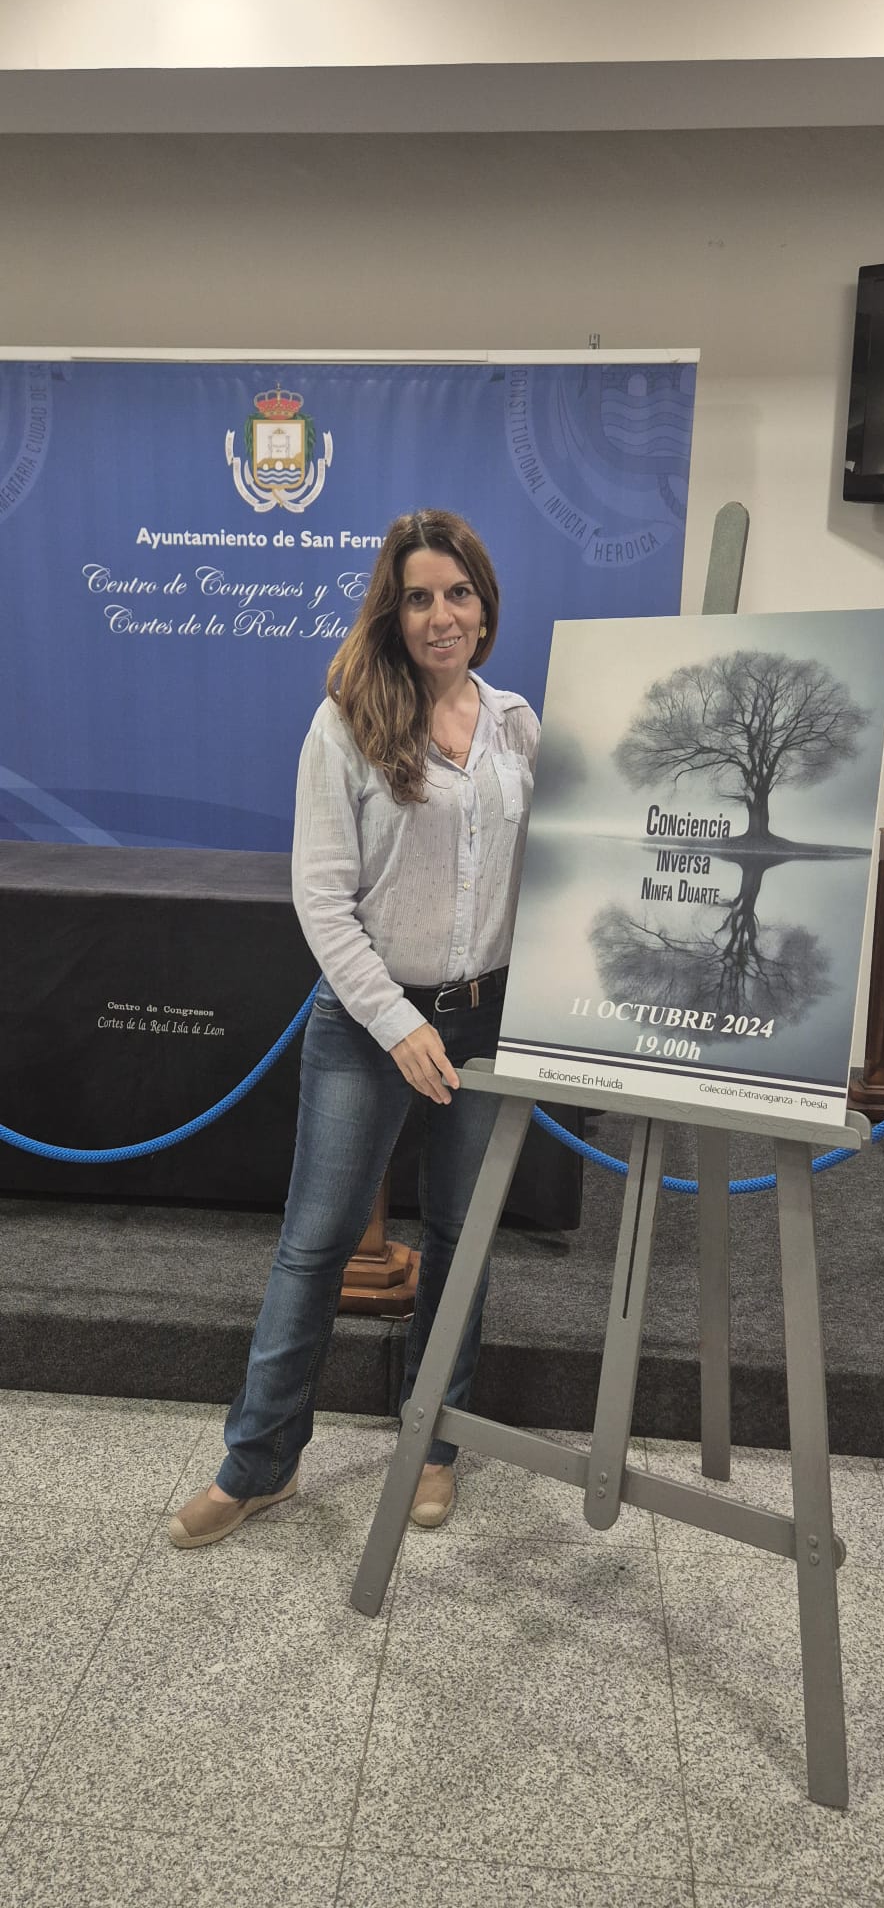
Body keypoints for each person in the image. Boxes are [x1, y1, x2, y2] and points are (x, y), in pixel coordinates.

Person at [168, 508, 539, 1548]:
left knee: (460, 1238)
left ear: (484, 606)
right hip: (371, 1022)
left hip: (489, 1019)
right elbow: (323, 900)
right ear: (393, 609)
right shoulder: (345, 723)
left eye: (457, 593)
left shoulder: (517, 724)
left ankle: (433, 1442)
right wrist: (396, 1022)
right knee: (315, 1244)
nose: (440, 615)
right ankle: (259, 1464)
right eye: (418, 597)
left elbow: (543, 874)